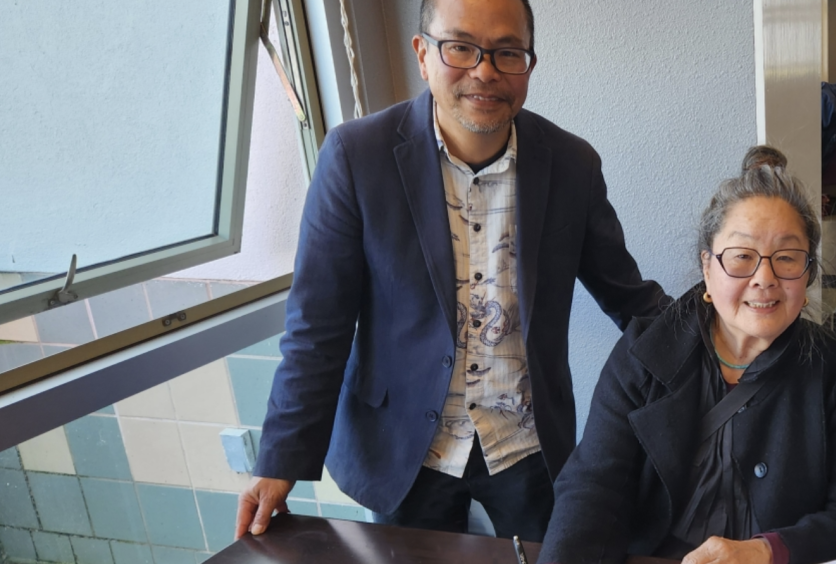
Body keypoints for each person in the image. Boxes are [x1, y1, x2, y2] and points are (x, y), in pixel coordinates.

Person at [234, 0, 669, 542]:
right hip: (402, 449)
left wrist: (727, 335)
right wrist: (279, 461)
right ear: (423, 53)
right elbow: (317, 325)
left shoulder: (572, 164)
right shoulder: (355, 156)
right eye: (460, 47)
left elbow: (628, 296)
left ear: (528, 64)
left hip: (527, 446)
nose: (484, 70)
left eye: (507, 52)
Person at [539, 164, 836, 564]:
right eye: (742, 257)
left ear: (807, 274)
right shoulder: (644, 354)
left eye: (787, 258)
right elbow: (594, 487)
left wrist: (765, 551)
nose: (764, 277)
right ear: (708, 267)